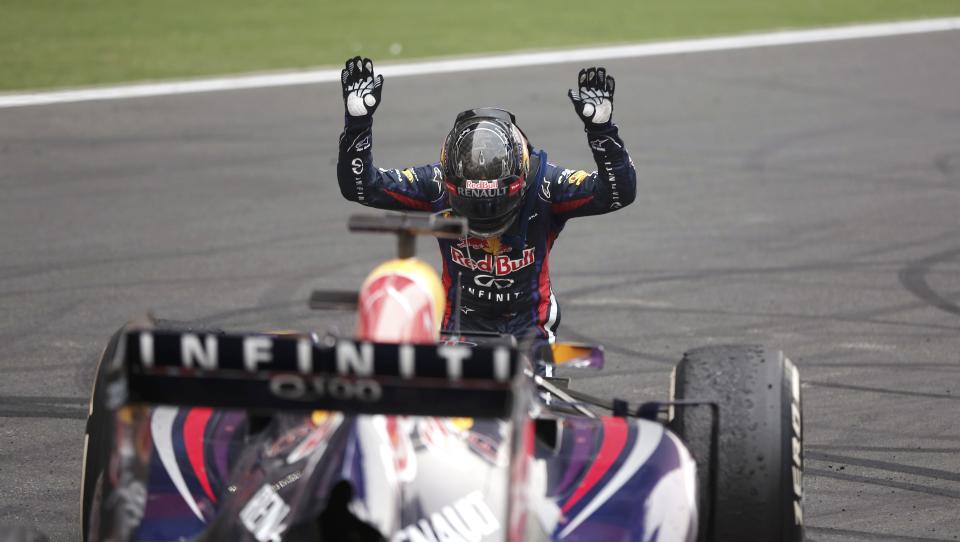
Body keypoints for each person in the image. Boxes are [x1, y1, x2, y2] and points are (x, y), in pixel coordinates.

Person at [337, 57, 636, 345]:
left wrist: (601, 131)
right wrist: (358, 124)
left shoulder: (545, 184)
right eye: (476, 206)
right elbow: (362, 186)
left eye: (494, 205)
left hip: (530, 329)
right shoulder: (436, 184)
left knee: (529, 395)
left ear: (521, 176)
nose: (486, 217)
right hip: (461, 329)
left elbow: (618, 193)